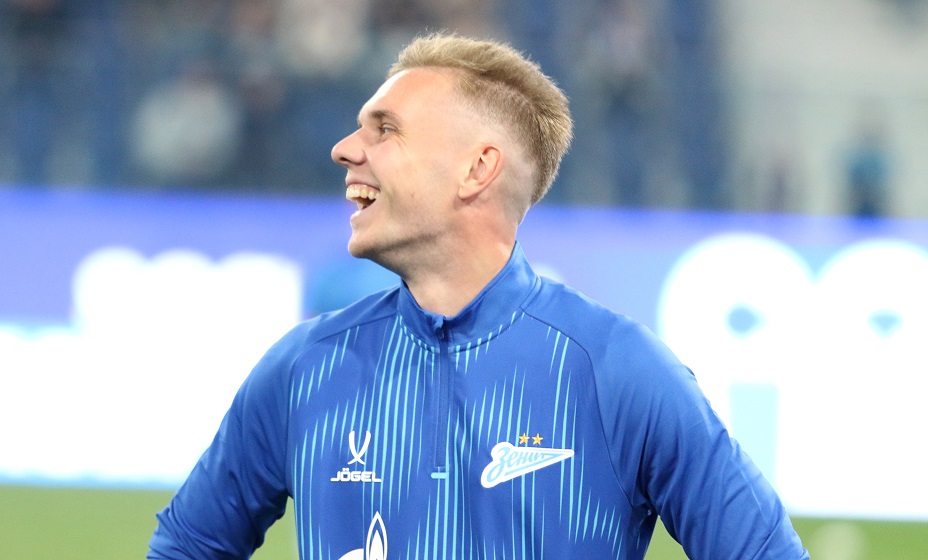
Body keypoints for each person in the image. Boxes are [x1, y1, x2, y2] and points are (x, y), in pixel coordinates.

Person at [148, 33, 809, 559]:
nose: (345, 149)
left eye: (385, 129)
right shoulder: (302, 367)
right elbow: (186, 547)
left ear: (477, 169)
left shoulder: (617, 370)